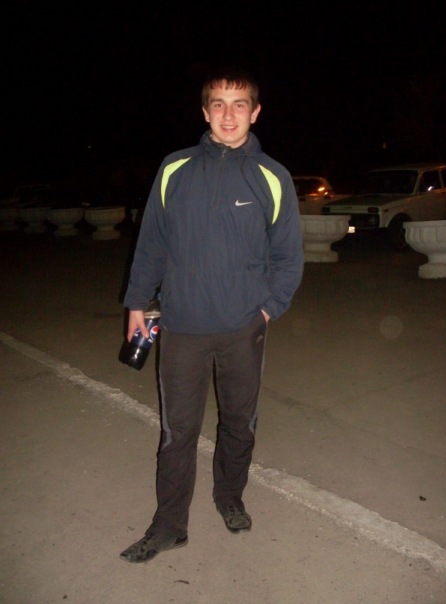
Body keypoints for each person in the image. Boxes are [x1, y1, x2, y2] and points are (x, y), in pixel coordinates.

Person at [120, 68, 304, 563]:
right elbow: (151, 243)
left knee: (239, 422)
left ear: (255, 112)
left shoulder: (272, 176)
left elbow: (288, 256)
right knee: (177, 431)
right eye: (218, 104)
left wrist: (267, 310)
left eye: (239, 104)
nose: (228, 114)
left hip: (244, 327)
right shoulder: (174, 169)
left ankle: (230, 497)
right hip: (181, 327)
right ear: (205, 112)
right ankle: (169, 525)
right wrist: (136, 304)